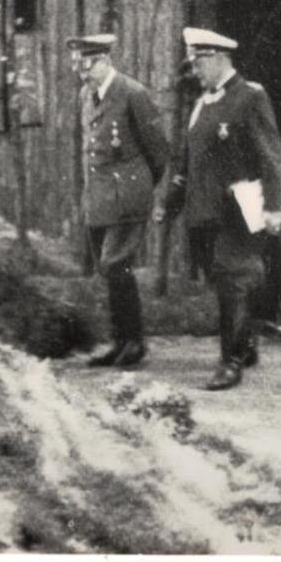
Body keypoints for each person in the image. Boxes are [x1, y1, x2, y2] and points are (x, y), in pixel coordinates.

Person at [159, 27, 281, 391]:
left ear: (218, 58)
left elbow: (272, 155)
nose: (195, 70)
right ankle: (246, 346)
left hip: (237, 211)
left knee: (232, 280)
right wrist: (170, 205)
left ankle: (230, 362)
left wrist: (275, 207)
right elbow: (188, 163)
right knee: (222, 281)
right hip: (201, 213)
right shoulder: (202, 104)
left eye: (199, 62)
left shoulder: (250, 97)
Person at [68, 33, 169, 369]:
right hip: (99, 197)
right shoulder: (87, 95)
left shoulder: (132, 93)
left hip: (126, 195)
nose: (81, 71)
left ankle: (134, 342)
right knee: (110, 269)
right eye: (77, 65)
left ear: (105, 61)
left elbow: (158, 151)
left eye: (87, 64)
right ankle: (121, 342)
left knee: (116, 264)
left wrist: (139, 186)